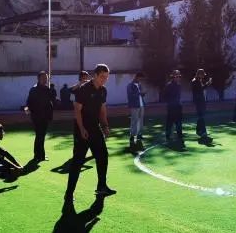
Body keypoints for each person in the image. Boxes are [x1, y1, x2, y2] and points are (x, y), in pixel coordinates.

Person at [65, 64, 116, 201]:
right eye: (102, 77)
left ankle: (101, 186)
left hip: (95, 128)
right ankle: (69, 194)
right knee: (78, 161)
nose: (104, 79)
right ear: (95, 75)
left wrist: (105, 126)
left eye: (106, 77)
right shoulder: (84, 89)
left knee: (103, 156)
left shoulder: (103, 90)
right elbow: (77, 110)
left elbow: (103, 110)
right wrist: (81, 129)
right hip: (82, 128)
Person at [25, 71, 55, 162]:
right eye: (43, 78)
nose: (45, 79)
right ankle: (38, 155)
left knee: (41, 135)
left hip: (45, 116)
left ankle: (41, 155)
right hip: (37, 116)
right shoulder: (34, 89)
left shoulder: (47, 89)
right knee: (39, 135)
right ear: (38, 79)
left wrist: (52, 92)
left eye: (46, 78)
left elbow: (51, 100)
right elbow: (29, 102)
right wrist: (28, 109)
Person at [192, 68, 213, 143]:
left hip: (201, 101)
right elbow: (200, 89)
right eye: (202, 74)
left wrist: (207, 84)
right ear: (199, 74)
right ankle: (203, 131)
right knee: (201, 116)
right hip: (199, 101)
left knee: (201, 116)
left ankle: (198, 130)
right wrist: (208, 84)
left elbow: (201, 89)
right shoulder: (195, 81)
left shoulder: (198, 81)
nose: (203, 76)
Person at [126, 72, 146, 150]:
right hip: (135, 105)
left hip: (141, 105)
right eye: (140, 78)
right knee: (134, 120)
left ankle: (139, 134)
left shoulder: (140, 85)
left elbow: (141, 95)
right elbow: (130, 95)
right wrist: (139, 93)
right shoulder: (130, 85)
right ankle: (132, 136)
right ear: (137, 77)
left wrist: (143, 93)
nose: (141, 80)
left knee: (141, 120)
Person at [164, 70, 184, 144]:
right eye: (177, 76)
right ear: (173, 77)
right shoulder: (169, 85)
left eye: (179, 76)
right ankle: (168, 136)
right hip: (171, 107)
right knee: (170, 122)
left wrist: (179, 103)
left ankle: (180, 135)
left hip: (178, 106)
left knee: (179, 122)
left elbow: (179, 96)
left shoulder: (179, 85)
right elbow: (165, 96)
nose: (178, 78)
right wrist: (171, 102)